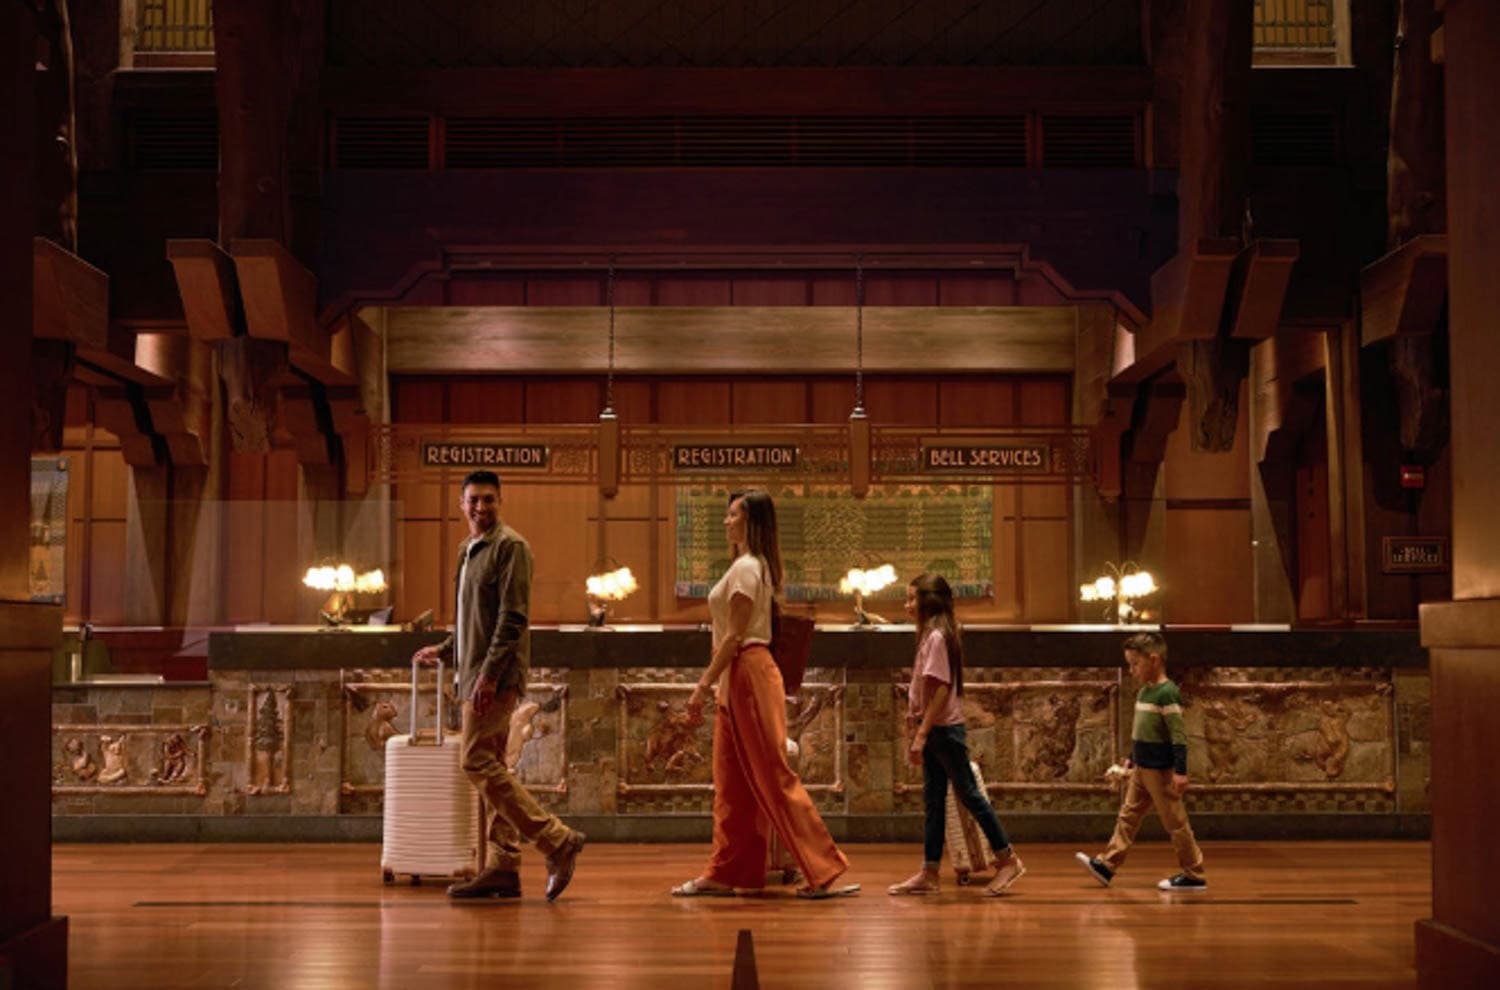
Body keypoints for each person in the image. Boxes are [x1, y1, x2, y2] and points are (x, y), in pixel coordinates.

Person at [671, 489, 858, 899]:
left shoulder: (748, 569)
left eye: (734, 514)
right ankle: (728, 870)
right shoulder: (747, 566)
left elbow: (736, 635)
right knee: (732, 781)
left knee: (773, 774)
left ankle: (823, 869)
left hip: (748, 675)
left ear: (751, 522)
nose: (726, 521)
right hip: (740, 676)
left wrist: (702, 685)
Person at [412, 469, 585, 901]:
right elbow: (473, 619)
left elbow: (511, 620)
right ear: (461, 504)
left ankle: (556, 840)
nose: (481, 507)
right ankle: (503, 866)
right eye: (474, 500)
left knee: (474, 761)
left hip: (495, 677)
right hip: (472, 673)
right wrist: (447, 648)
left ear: (500, 501)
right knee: (492, 765)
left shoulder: (511, 548)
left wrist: (488, 676)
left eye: (489, 499)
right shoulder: (467, 549)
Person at [887, 573, 1025, 896]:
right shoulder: (931, 636)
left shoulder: (936, 637)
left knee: (969, 795)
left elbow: (939, 691)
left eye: (911, 599)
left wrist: (921, 733)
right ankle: (930, 871)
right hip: (935, 729)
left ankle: (1008, 860)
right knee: (934, 802)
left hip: (943, 730)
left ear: (928, 601)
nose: (907, 606)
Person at [1075, 631, 1206, 892]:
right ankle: (1107, 864)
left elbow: (1178, 736)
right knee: (1128, 816)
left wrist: (1180, 771)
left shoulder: (1167, 693)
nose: (1131, 669)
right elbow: (1142, 733)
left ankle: (1194, 873)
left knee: (1175, 822)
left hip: (1160, 771)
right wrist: (1132, 759)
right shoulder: (1144, 693)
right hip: (1142, 768)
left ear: (1154, 660)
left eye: (1135, 663)